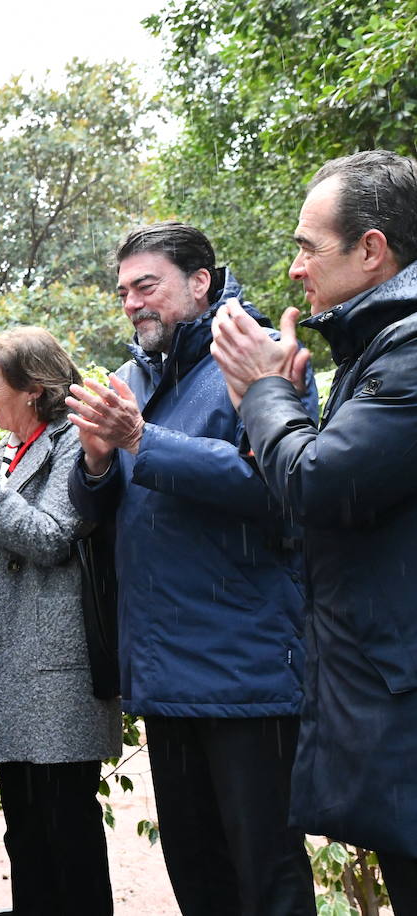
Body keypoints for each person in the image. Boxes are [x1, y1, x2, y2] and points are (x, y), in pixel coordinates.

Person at [64, 222, 317, 915]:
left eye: (147, 286)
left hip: (247, 673)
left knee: (268, 878)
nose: (131, 303)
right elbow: (100, 506)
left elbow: (278, 487)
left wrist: (141, 438)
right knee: (197, 877)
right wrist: (94, 459)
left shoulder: (258, 357)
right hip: (163, 672)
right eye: (123, 292)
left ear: (200, 282)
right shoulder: (131, 378)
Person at [211, 149, 417, 911]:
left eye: (308, 246)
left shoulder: (409, 349)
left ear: (371, 250)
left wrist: (263, 392)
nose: (297, 267)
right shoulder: (376, 346)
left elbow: (319, 483)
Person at [0, 327, 120, 916]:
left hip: (55, 673)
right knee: (25, 832)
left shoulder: (71, 442)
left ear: (33, 391)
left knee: (68, 830)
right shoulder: (13, 448)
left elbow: (51, 537)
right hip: (14, 672)